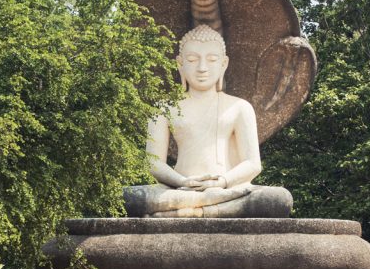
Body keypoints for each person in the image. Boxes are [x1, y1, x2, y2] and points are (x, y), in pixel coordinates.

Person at [123, 24, 292, 218]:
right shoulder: (163, 108)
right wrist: (183, 182)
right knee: (129, 198)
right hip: (178, 190)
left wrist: (222, 181)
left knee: (277, 199)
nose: (202, 68)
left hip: (226, 190)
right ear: (180, 64)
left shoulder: (239, 107)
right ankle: (209, 210)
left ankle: (188, 212)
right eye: (193, 59)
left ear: (224, 64)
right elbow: (153, 163)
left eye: (211, 60)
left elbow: (253, 164)